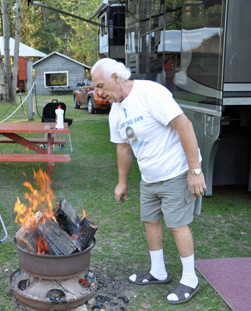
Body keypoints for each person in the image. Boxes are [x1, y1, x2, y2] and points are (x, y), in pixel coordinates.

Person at [91, 58, 207, 305]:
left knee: (177, 225)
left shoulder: (149, 93)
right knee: (150, 222)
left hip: (175, 171)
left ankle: (190, 278)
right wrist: (122, 182)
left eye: (100, 85)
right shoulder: (115, 111)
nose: (97, 92)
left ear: (115, 77)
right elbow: (123, 147)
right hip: (149, 178)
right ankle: (158, 272)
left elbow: (184, 126)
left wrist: (194, 171)